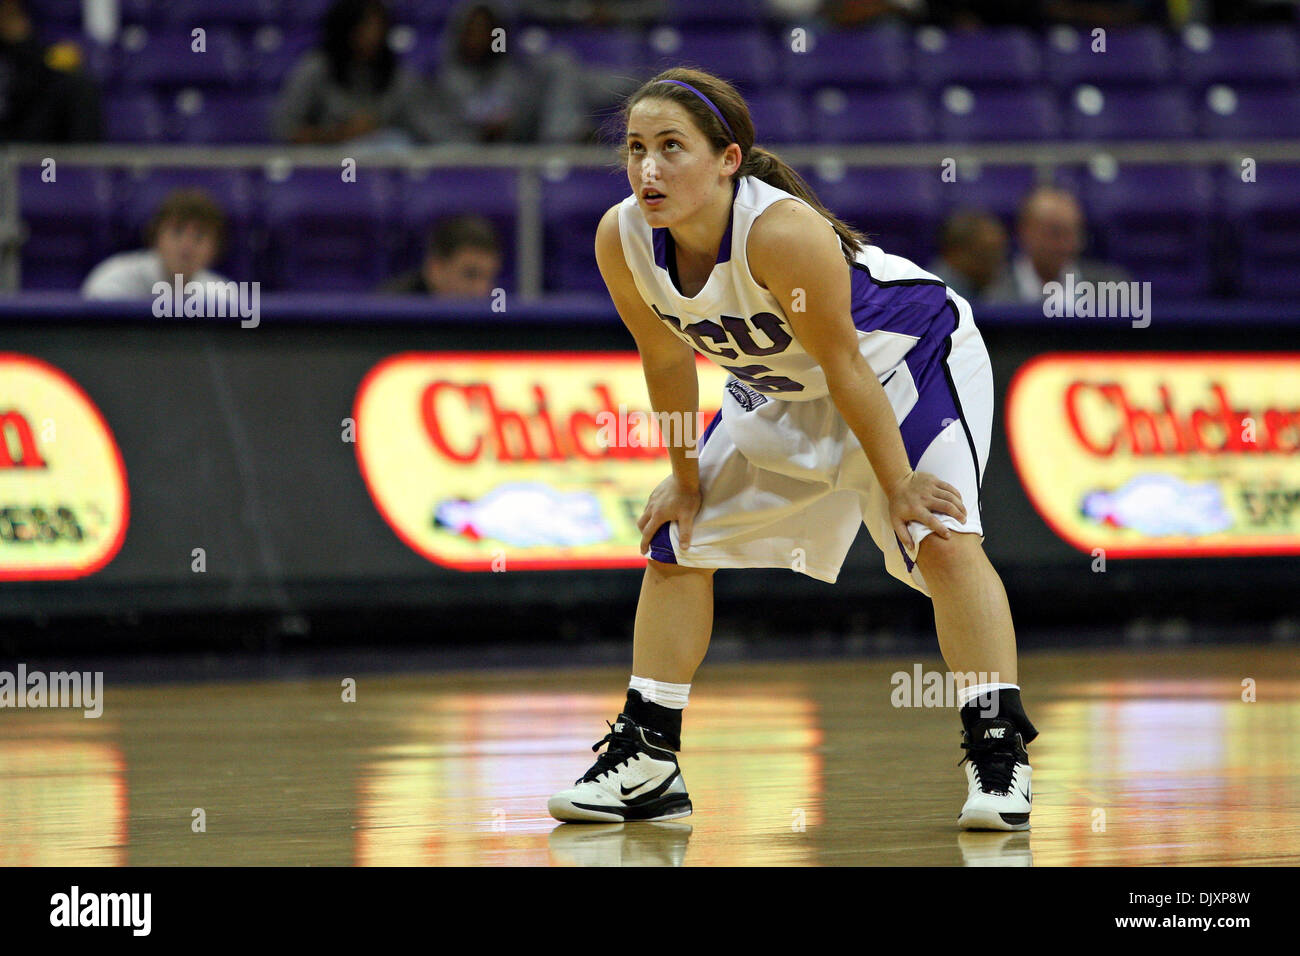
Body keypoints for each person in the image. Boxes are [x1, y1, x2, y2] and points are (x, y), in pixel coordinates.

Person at [547, 67, 1039, 831]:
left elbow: (845, 367)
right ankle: (647, 759)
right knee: (681, 538)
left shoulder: (778, 232)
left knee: (939, 539)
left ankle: (1000, 755)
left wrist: (901, 483)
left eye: (671, 147)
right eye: (636, 148)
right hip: (782, 385)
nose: (647, 167)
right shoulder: (623, 238)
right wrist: (681, 477)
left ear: (727, 160)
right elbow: (667, 357)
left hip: (898, 362)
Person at [273, 0, 437, 146]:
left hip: (383, 163)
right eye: (365, 27)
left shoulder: (399, 75)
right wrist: (339, 134)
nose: (373, 35)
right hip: (328, 168)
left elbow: (425, 129)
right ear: (347, 28)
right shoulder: (316, 68)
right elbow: (285, 129)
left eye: (378, 26)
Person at [427, 1, 587, 144]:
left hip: (516, 156)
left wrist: (511, 124)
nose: (479, 39)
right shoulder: (442, 80)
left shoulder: (516, 76)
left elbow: (527, 119)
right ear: (460, 34)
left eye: (486, 32)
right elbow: (436, 129)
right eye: (472, 32)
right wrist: (478, 133)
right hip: (458, 160)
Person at [983, 185, 1130, 305]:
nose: (1066, 245)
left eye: (1072, 234)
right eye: (1055, 234)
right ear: (1025, 232)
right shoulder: (993, 292)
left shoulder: (1112, 289)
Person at [82, 189, 230, 299]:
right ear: (156, 238)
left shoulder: (223, 297)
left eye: (199, 237)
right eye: (177, 232)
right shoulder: (115, 281)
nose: (187, 246)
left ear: (214, 249)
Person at [0, 0, 102, 142]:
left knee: (80, 89)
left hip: (25, 134)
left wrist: (19, 42)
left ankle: (81, 163)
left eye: (11, 13)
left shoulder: (36, 54)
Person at [378, 215, 502, 297]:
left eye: (489, 277)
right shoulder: (387, 314)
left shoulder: (493, 322)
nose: (483, 290)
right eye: (470, 275)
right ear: (436, 268)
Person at [926, 210, 1008, 303]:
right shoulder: (929, 296)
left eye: (998, 253)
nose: (995, 263)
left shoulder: (999, 287)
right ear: (956, 253)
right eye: (985, 254)